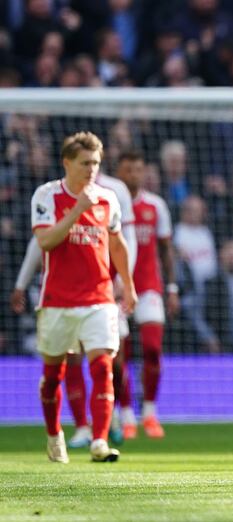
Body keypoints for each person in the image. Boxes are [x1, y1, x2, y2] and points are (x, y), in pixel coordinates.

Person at [11, 158, 138, 450]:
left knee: (113, 361)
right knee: (74, 358)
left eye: (92, 161)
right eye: (83, 162)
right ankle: (83, 426)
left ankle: (113, 416)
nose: (88, 168)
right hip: (66, 295)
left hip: (105, 289)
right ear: (70, 163)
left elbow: (123, 238)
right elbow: (39, 241)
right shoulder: (53, 196)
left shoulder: (113, 191)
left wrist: (126, 280)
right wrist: (21, 281)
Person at [115, 150, 180, 439]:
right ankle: (127, 414)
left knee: (153, 348)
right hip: (116, 287)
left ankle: (150, 413)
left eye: (138, 169)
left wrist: (172, 287)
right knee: (120, 354)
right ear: (119, 172)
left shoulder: (156, 205)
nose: (134, 175)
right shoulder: (108, 204)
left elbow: (166, 250)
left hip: (149, 285)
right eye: (128, 170)